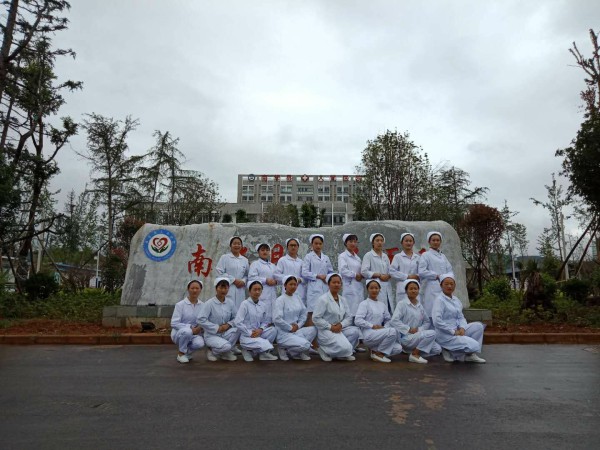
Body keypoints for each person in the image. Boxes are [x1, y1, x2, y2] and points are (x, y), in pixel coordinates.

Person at [432, 274, 486, 363]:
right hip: (446, 335)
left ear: (455, 285)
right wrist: (453, 332)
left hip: (457, 330)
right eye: (446, 284)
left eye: (451, 284)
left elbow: (461, 317)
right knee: (475, 345)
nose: (449, 286)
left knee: (478, 326)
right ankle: (446, 349)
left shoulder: (456, 299)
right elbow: (437, 321)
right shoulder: (439, 300)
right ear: (441, 285)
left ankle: (469, 355)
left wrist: (462, 328)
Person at [390, 279, 441, 364]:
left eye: (415, 289)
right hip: (406, 338)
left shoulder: (420, 305)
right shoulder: (402, 304)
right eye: (411, 289)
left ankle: (413, 351)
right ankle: (415, 354)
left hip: (418, 335)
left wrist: (419, 329)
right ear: (406, 291)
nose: (413, 291)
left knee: (437, 349)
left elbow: (427, 321)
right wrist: (408, 329)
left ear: (418, 290)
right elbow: (394, 320)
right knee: (432, 333)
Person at [312, 273, 360, 362]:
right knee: (346, 348)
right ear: (328, 284)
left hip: (339, 328)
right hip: (326, 330)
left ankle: (341, 354)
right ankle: (324, 349)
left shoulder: (343, 299)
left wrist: (341, 325)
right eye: (334, 282)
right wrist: (330, 327)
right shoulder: (323, 299)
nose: (336, 284)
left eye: (339, 283)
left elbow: (349, 317)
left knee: (355, 332)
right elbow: (316, 318)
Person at [354, 279, 403, 363]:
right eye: (371, 288)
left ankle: (374, 352)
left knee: (398, 348)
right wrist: (372, 326)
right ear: (367, 289)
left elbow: (388, 319)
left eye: (376, 288)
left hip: (380, 333)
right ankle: (379, 354)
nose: (374, 290)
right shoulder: (364, 304)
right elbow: (357, 320)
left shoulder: (382, 305)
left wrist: (384, 327)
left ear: (379, 289)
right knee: (393, 331)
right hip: (369, 334)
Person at [273, 275, 316, 361]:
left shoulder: (297, 298)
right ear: (285, 285)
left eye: (295, 284)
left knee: (314, 329)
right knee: (306, 345)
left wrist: (298, 325)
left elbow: (304, 314)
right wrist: (290, 327)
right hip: (284, 333)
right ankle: (283, 347)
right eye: (291, 284)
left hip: (296, 330)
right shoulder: (280, 300)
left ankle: (295, 351)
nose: (293, 286)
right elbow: (277, 319)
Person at [234, 280, 278, 362]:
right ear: (249, 291)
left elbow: (266, 321)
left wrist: (260, 329)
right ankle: (246, 350)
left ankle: (263, 354)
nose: (257, 292)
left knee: (273, 330)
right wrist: (250, 333)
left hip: (258, 333)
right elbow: (237, 322)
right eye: (255, 289)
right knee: (266, 345)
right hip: (247, 335)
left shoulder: (263, 305)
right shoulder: (245, 304)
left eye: (259, 289)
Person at [198, 277, 241, 362]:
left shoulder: (230, 303)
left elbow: (236, 317)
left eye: (226, 288)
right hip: (212, 335)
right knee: (227, 346)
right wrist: (217, 328)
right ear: (216, 288)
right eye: (221, 287)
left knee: (239, 329)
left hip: (225, 332)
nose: (223, 290)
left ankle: (225, 352)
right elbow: (201, 320)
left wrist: (228, 325)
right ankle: (211, 350)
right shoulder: (209, 303)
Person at [417, 231, 454, 317]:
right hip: (432, 286)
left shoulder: (443, 256)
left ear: (440, 242)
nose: (436, 242)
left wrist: (447, 278)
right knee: (432, 310)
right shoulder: (426, 255)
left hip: (444, 286)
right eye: (433, 240)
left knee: (444, 310)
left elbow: (450, 270)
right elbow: (421, 271)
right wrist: (436, 276)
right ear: (429, 242)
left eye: (438, 240)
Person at [170, 280, 205, 364]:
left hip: (195, 333)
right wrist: (190, 327)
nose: (195, 290)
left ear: (200, 290)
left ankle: (187, 353)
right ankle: (181, 354)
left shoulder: (203, 305)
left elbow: (204, 320)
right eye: (192, 288)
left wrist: (199, 328)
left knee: (200, 343)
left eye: (197, 288)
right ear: (188, 289)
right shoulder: (180, 305)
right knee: (187, 331)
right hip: (180, 333)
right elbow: (174, 323)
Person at [301, 234, 333, 321]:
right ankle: (311, 328)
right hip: (313, 286)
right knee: (313, 312)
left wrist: (327, 278)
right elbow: (304, 273)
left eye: (320, 244)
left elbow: (330, 271)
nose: (318, 246)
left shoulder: (326, 258)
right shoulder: (308, 257)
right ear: (312, 244)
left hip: (325, 286)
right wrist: (318, 276)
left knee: (325, 311)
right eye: (316, 243)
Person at [361, 233, 394, 313]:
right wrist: (379, 275)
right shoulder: (368, 255)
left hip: (387, 286)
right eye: (377, 240)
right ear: (373, 243)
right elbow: (364, 271)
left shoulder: (385, 256)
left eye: (381, 241)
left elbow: (390, 269)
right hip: (375, 287)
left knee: (388, 309)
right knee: (377, 310)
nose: (380, 242)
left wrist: (389, 275)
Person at [215, 236, 249, 312]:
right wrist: (233, 280)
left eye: (239, 244)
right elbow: (219, 272)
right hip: (228, 287)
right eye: (234, 243)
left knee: (239, 309)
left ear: (241, 246)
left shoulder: (245, 260)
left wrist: (243, 281)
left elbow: (247, 275)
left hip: (240, 289)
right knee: (227, 309)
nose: (237, 245)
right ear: (230, 245)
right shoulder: (224, 258)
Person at [248, 243, 278, 319]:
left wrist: (276, 282)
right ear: (258, 252)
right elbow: (252, 277)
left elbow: (277, 277)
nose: (265, 252)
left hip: (272, 294)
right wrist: (265, 280)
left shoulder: (273, 266)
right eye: (262, 250)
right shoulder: (255, 264)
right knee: (261, 315)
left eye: (267, 250)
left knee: (273, 314)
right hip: (261, 293)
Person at [390, 232, 420, 305]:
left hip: (415, 288)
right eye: (406, 241)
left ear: (413, 243)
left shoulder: (418, 257)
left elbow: (422, 271)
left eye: (410, 241)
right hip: (402, 289)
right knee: (402, 308)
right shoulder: (398, 257)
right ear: (402, 243)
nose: (408, 243)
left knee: (415, 308)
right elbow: (392, 272)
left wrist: (417, 276)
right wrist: (407, 276)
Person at [338, 233, 364, 316]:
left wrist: (362, 275)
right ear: (346, 243)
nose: (353, 244)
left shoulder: (357, 258)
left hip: (358, 286)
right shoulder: (343, 256)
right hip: (349, 286)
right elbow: (342, 270)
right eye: (351, 241)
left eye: (355, 242)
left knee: (359, 312)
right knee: (349, 312)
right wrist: (355, 275)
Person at [275, 238, 306, 306]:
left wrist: (300, 280)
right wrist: (289, 279)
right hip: (287, 291)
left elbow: (305, 277)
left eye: (295, 245)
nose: (293, 247)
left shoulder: (301, 262)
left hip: (300, 291)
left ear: (298, 247)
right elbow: (277, 275)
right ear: (287, 247)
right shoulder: (282, 260)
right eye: (291, 245)